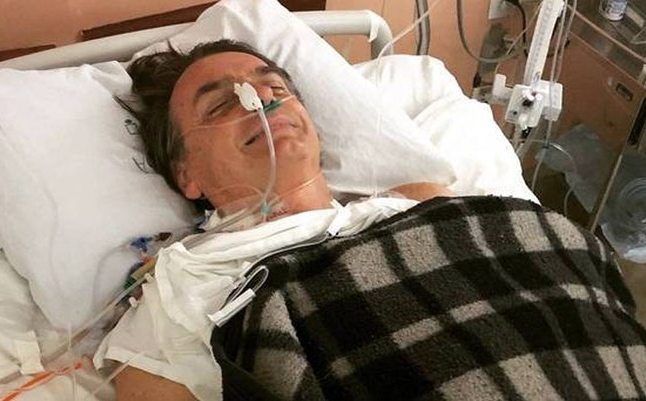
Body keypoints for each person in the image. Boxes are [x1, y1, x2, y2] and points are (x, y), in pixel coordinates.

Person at [105, 39, 451, 400]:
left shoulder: (415, 203)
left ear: (313, 127)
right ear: (186, 174)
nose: (260, 98)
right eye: (220, 105)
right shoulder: (176, 303)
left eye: (275, 87)